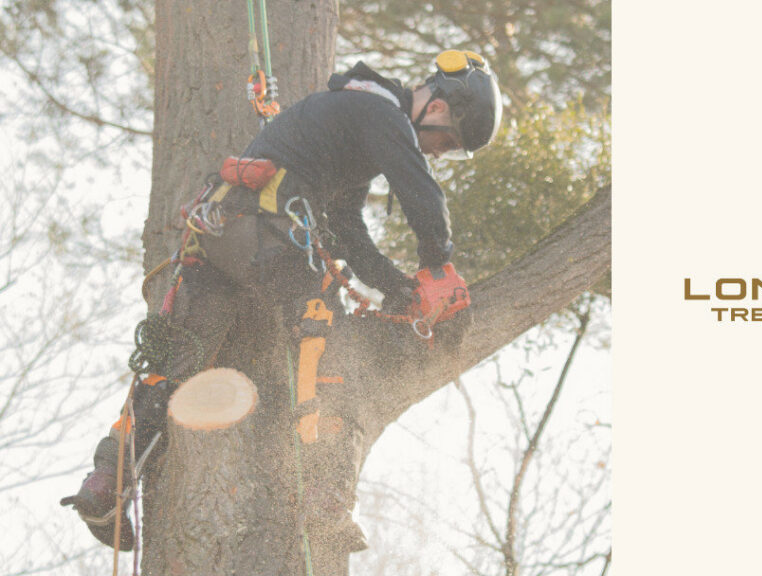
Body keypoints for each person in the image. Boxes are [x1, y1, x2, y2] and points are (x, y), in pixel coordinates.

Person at [60, 49, 503, 551]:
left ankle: (104, 481)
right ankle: (322, 492)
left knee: (175, 359)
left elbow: (348, 229)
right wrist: (438, 267)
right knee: (327, 351)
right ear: (441, 108)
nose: (439, 153)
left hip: (221, 232)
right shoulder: (382, 112)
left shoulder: (348, 115)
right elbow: (420, 189)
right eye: (446, 143)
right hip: (275, 235)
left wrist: (398, 285)